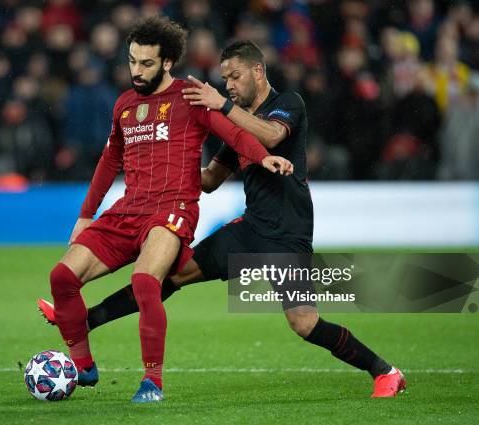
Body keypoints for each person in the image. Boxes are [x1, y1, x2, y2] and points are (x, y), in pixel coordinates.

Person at [39, 40, 405, 398]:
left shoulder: (287, 103)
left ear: (257, 71)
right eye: (224, 79)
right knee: (169, 275)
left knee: (304, 323)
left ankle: (384, 371)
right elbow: (210, 180)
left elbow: (273, 137)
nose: (228, 85)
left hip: (287, 236)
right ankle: (87, 320)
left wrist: (222, 104)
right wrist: (165, 168)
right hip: (249, 229)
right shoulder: (239, 127)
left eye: (234, 76)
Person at [46, 19, 291, 404]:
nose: (136, 71)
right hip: (128, 209)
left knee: (146, 282)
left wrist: (264, 158)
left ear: (168, 62)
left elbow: (236, 134)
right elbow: (110, 160)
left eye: (146, 63)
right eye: (132, 61)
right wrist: (86, 215)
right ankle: (82, 366)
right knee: (61, 277)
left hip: (172, 209)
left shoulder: (191, 97)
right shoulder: (124, 104)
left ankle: (152, 382)